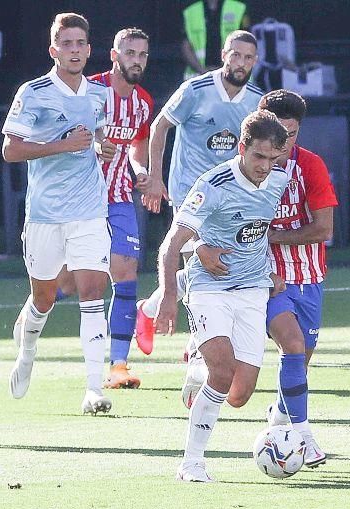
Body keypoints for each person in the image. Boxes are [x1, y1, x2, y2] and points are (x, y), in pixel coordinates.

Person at [197, 90, 338, 468]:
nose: (284, 144)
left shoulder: (309, 167)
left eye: (292, 135)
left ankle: (278, 420)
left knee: (260, 383)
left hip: (308, 275)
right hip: (262, 278)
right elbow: (208, 217)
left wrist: (270, 234)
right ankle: (304, 437)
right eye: (279, 134)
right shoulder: (243, 167)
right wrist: (200, 248)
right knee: (291, 344)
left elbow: (323, 229)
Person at [156, 110, 289, 482]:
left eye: (272, 158)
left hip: (252, 290)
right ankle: (192, 463)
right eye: (258, 157)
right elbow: (171, 245)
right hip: (209, 288)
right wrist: (168, 295)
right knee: (223, 370)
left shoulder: (279, 179)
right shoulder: (213, 184)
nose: (264, 166)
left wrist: (268, 271)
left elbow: (257, 232)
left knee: (239, 394)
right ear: (242, 147)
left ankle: (197, 366)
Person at [2, 13, 117, 414]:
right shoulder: (33, 93)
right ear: (54, 50)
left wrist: (102, 148)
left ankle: (93, 388)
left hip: (89, 209)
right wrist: (60, 145)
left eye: (79, 44)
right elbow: (10, 150)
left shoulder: (100, 95)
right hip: (45, 214)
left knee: (92, 293)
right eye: (65, 44)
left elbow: (97, 138)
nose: (73, 51)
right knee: (45, 297)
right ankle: (27, 350)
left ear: (88, 49)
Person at [135, 30, 263, 355]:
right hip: (190, 193)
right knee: (200, 263)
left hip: (231, 198)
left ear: (255, 61)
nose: (241, 62)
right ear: (224, 54)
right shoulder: (196, 89)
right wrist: (155, 176)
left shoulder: (256, 101)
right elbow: (159, 126)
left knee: (216, 267)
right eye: (236, 55)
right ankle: (198, 346)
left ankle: (148, 311)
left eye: (248, 57)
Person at [54, 27, 154, 389]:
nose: (136, 60)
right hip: (80, 198)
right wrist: (94, 146)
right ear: (114, 55)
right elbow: (68, 133)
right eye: (130, 53)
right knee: (72, 279)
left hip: (119, 197)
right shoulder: (91, 90)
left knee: (125, 273)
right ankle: (38, 306)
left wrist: (141, 171)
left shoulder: (143, 102)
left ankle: (119, 366)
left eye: (142, 55)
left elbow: (138, 145)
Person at [181, 0, 250, 80]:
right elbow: (186, 46)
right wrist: (202, 70)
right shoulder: (190, 12)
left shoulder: (238, 8)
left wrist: (227, 68)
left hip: (232, 76)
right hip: (198, 77)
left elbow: (247, 44)